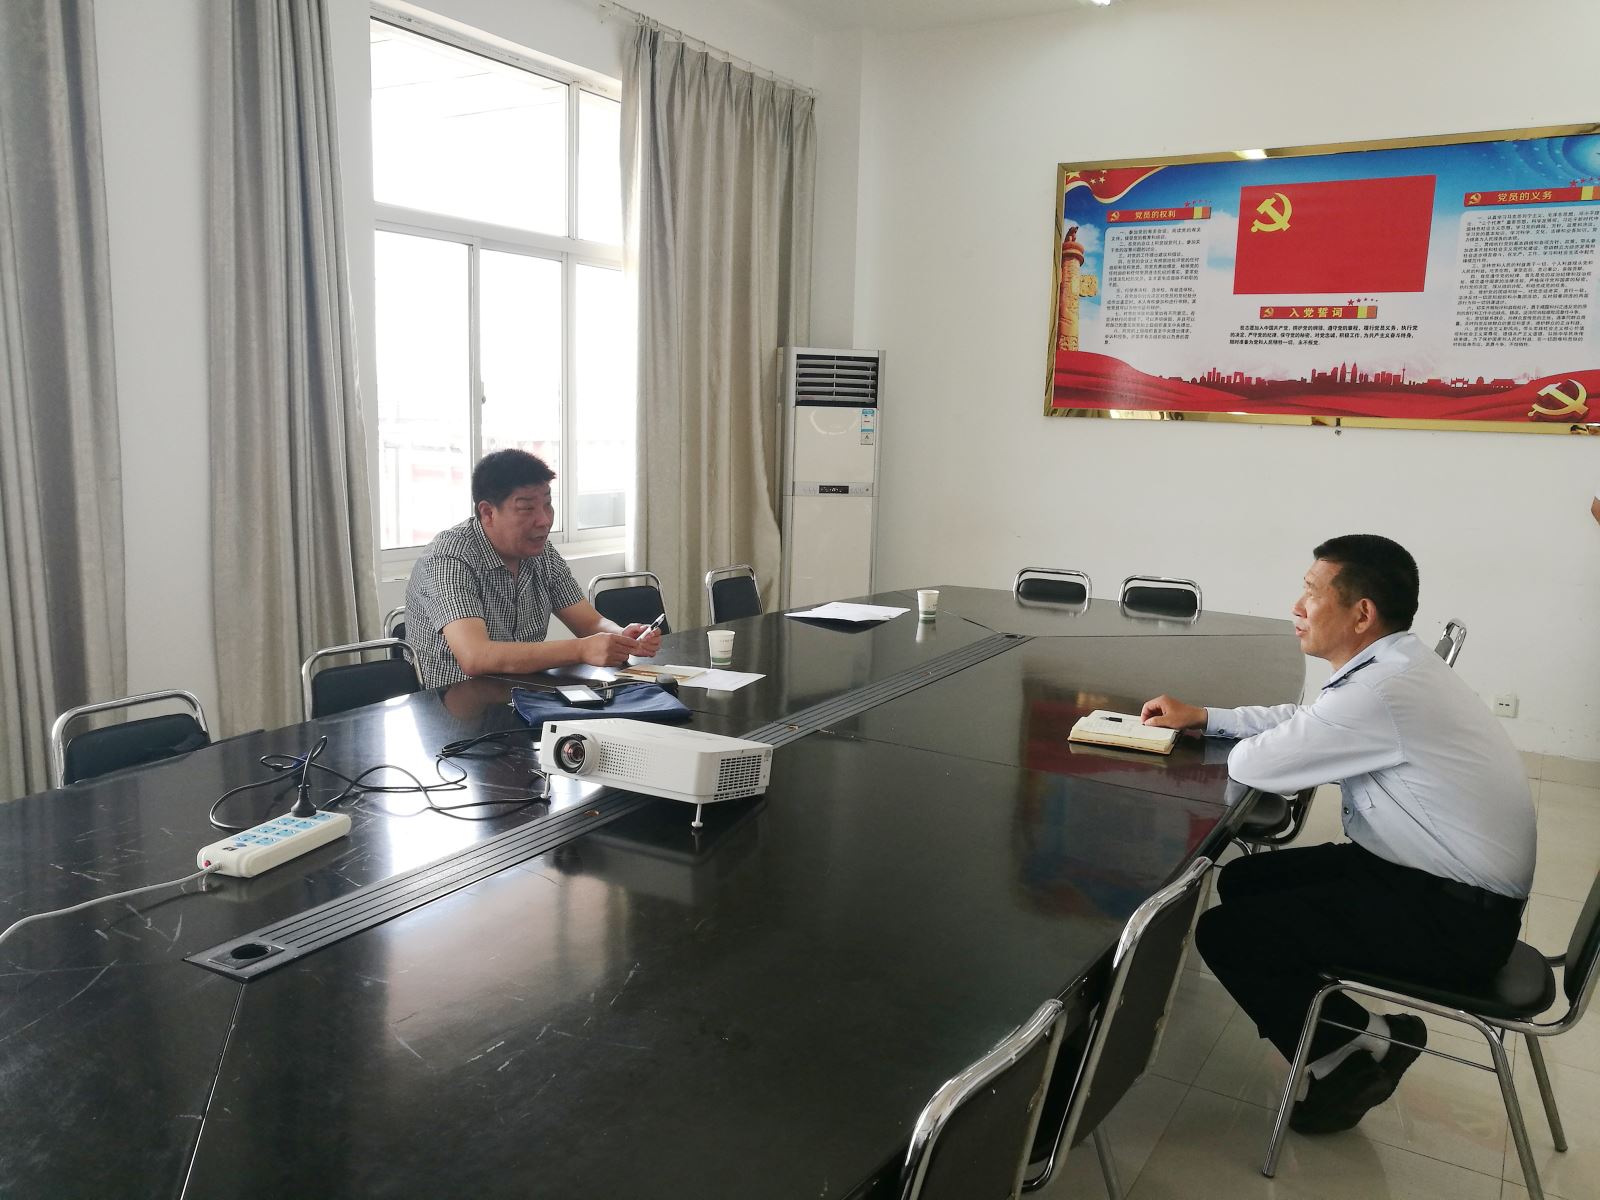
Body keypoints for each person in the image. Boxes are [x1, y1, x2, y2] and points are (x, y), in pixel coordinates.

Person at [1140, 534, 1534, 1134]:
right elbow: (1311, 722)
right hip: (1436, 884)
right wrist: (1206, 717)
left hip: (1457, 923)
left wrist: (1233, 741)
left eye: (1312, 592)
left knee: (1227, 933)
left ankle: (1350, 1052)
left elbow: (1257, 764)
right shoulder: (1395, 665)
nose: (1297, 606)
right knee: (1245, 880)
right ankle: (1359, 1036)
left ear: (1362, 613)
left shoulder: (1380, 691)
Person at [405, 449, 662, 688]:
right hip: (452, 706)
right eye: (527, 508)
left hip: (523, 694)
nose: (544, 520)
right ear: (488, 513)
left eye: (547, 504)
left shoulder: (541, 553)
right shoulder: (449, 558)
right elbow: (475, 656)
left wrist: (622, 637)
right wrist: (581, 649)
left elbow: (591, 622)